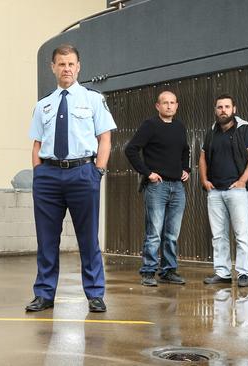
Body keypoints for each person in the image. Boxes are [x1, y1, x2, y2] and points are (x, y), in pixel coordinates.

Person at [26, 44, 116, 313]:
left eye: (71, 64)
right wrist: (39, 173)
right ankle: (44, 294)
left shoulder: (93, 99)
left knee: (88, 238)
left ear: (78, 67)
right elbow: (36, 143)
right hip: (48, 176)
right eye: (61, 64)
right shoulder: (43, 105)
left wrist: (97, 171)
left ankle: (95, 293)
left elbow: (106, 138)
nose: (66, 68)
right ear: (53, 67)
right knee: (46, 239)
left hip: (82, 173)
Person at [124, 91, 190, 287]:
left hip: (177, 187)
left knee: (172, 234)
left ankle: (169, 271)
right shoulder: (150, 125)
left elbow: (185, 149)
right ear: (157, 106)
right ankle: (148, 272)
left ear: (177, 106)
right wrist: (147, 173)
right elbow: (131, 149)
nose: (169, 106)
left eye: (172, 103)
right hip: (157, 187)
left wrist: (185, 168)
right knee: (154, 233)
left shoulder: (180, 127)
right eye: (165, 103)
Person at [199, 94, 248, 288]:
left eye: (227, 107)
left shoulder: (244, 129)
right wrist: (204, 180)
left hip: (236, 192)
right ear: (215, 110)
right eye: (219, 107)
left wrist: (243, 181)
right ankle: (223, 273)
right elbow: (202, 157)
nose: (223, 110)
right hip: (215, 191)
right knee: (218, 235)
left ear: (234, 109)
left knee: (241, 234)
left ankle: (244, 273)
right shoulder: (211, 131)